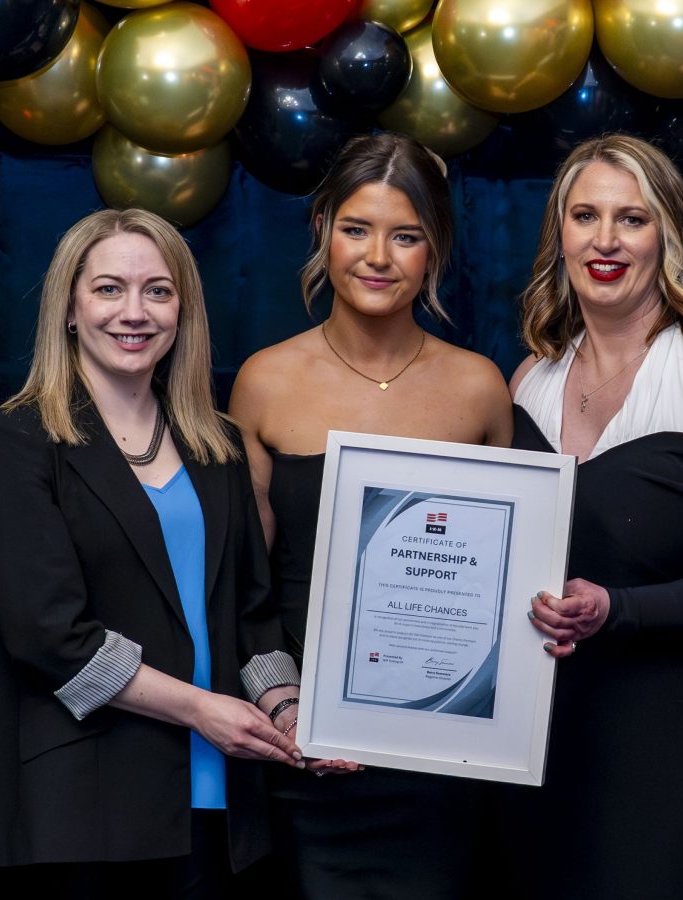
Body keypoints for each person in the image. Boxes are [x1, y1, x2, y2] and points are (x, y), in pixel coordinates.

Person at [0, 208, 305, 896]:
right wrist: (202, 708)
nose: (135, 312)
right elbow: (46, 635)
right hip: (76, 807)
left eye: (158, 290)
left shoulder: (221, 447)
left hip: (214, 796)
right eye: (109, 289)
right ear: (69, 306)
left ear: (183, 309)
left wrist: (290, 714)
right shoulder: (12, 442)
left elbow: (253, 615)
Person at [503, 133, 683, 898]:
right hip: (544, 740)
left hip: (680, 743)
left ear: (668, 235)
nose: (604, 240)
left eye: (631, 219)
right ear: (558, 233)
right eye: (584, 215)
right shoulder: (528, 378)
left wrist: (616, 610)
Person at [228, 131, 511, 898]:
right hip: (305, 747)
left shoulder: (480, 388)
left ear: (435, 251)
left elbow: (499, 585)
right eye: (356, 229)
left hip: (440, 754)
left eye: (406, 236)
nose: (378, 256)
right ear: (322, 229)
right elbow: (246, 583)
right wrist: (285, 707)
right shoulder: (265, 381)